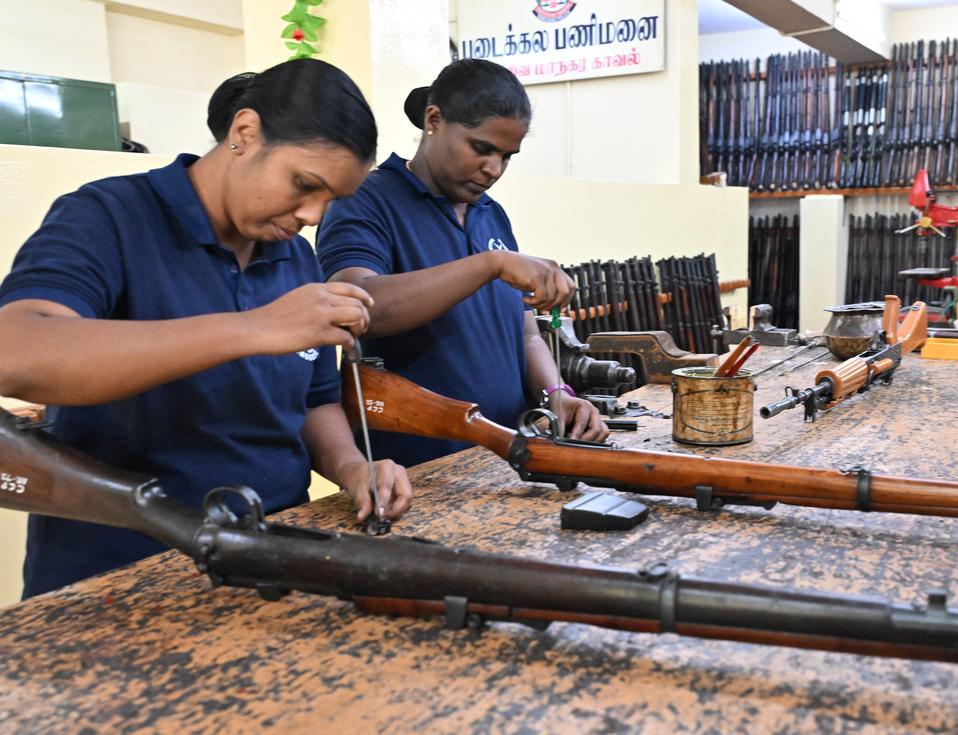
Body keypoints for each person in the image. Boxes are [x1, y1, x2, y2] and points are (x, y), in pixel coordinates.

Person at [0, 59, 412, 598]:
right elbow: (16, 350)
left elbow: (314, 404)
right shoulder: (109, 216)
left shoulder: (295, 258)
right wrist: (252, 328)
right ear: (245, 133)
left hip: (267, 560)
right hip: (119, 576)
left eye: (330, 200)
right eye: (304, 185)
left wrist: (353, 467)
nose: (312, 215)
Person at [317, 58, 607, 469]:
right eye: (482, 148)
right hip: (414, 470)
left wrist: (556, 395)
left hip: (506, 456)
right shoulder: (366, 200)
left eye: (507, 156)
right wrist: (488, 264)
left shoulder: (491, 214)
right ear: (434, 119)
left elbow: (524, 334)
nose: (494, 169)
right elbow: (359, 307)